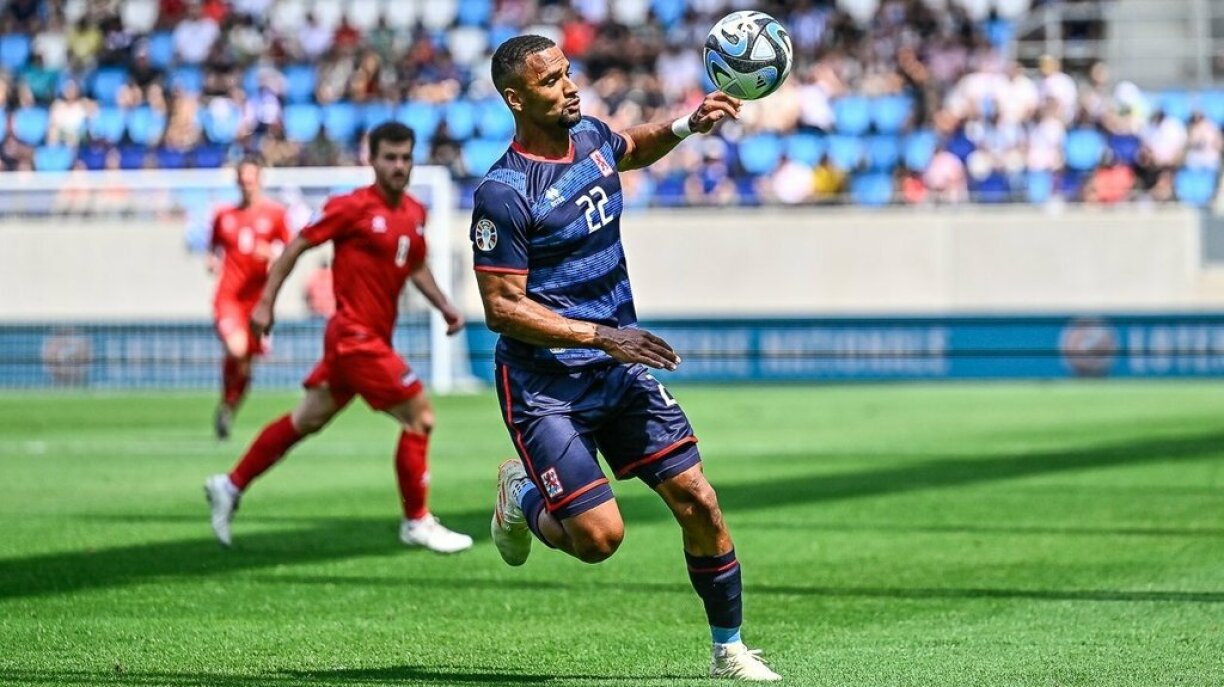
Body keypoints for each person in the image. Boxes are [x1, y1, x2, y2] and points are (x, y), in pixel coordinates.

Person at [474, 36, 780, 682]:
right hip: (545, 386)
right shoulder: (503, 193)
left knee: (698, 498)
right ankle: (521, 491)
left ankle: (729, 649)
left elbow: (629, 148)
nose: (569, 86)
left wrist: (686, 125)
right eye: (551, 81)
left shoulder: (588, 136)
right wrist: (604, 336)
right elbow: (501, 308)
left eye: (567, 73)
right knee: (598, 540)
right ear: (515, 99)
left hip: (617, 369)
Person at [204, 121, 473, 554]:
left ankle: (229, 485)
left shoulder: (413, 212)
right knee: (420, 417)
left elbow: (415, 264)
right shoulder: (351, 207)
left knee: (305, 420)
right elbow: (296, 246)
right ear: (372, 160)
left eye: (405, 158)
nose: (399, 166)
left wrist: (444, 305)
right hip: (354, 337)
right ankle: (417, 521)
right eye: (390, 157)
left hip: (369, 340)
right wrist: (266, 302)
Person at [207, 157, 290, 440]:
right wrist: (212, 262)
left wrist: (272, 254)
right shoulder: (224, 216)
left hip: (258, 302)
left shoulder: (276, 215)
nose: (247, 186)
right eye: (243, 181)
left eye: (251, 180)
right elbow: (213, 249)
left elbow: (288, 252)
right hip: (228, 297)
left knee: (245, 364)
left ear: (260, 180)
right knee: (237, 347)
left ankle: (227, 408)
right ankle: (227, 404)